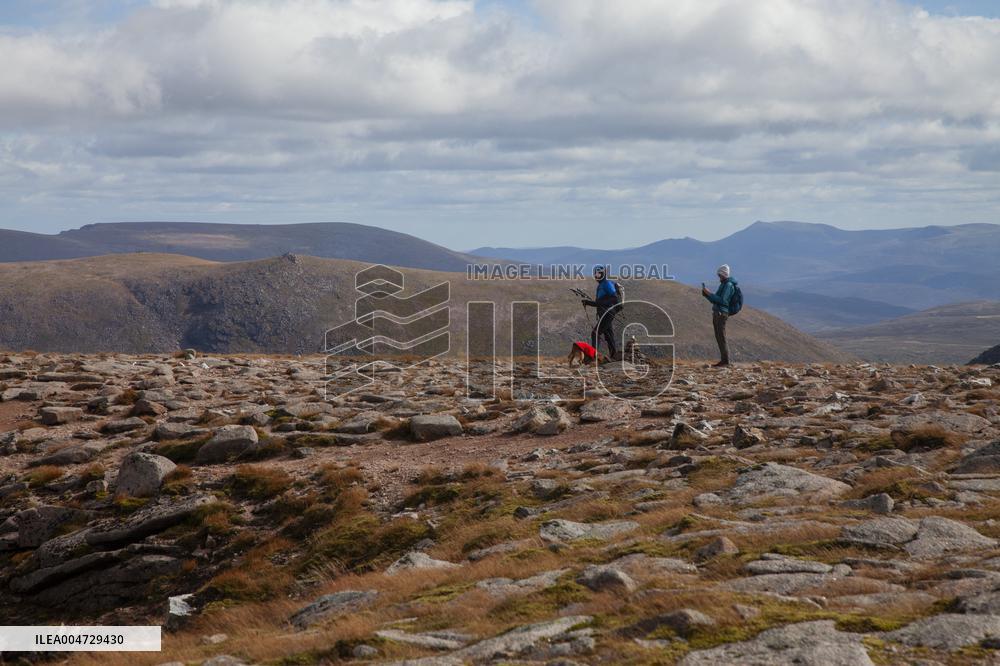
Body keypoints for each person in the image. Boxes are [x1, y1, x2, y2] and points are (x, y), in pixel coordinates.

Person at [581, 265, 620, 360]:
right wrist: (588, 302)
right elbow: (599, 303)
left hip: (608, 313)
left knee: (595, 333)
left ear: (603, 274)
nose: (596, 276)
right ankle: (614, 356)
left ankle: (593, 357)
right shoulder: (601, 285)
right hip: (605, 313)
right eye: (595, 274)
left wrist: (600, 303)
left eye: (598, 274)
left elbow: (614, 298)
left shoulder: (606, 284)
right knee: (609, 335)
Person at [701, 264, 737, 367]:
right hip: (717, 312)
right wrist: (706, 294)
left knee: (721, 336)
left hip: (721, 313)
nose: (719, 277)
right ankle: (723, 360)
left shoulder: (728, 285)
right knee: (718, 336)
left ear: (724, 274)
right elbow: (716, 300)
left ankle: (725, 361)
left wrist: (709, 294)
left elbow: (723, 301)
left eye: (720, 275)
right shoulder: (723, 284)